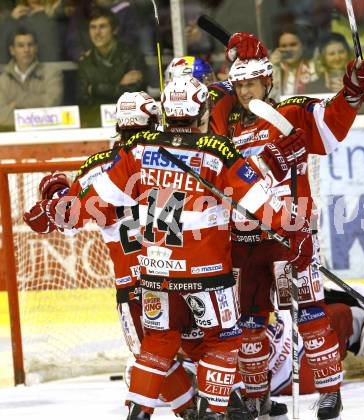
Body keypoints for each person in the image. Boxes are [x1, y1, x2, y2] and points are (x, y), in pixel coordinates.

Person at [24, 75, 307, 419]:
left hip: (154, 273)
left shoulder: (139, 151)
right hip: (206, 273)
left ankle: (139, 413)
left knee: (158, 342)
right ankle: (214, 411)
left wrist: (55, 213)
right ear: (202, 112)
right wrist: (292, 227)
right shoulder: (218, 150)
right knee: (222, 338)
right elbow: (260, 204)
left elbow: (96, 199)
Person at [207, 31, 364, 420]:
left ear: (268, 81)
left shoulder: (293, 113)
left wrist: (351, 91)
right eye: (240, 83)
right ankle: (256, 397)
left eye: (252, 82)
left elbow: (332, 124)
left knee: (310, 313)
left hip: (291, 237)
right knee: (249, 321)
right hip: (244, 239)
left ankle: (330, 393)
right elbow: (202, 113)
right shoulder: (224, 125)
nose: (245, 89)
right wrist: (236, 52)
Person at [76, 6, 146, 105]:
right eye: (93, 27)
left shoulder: (132, 55)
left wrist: (95, 89)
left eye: (102, 26)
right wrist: (119, 85)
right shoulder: (85, 62)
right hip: (97, 118)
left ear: (115, 30)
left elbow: (136, 95)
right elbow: (82, 100)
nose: (97, 32)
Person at [0, 27, 63, 128]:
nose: (26, 50)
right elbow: (2, 117)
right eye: (21, 46)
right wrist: (38, 113)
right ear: (12, 50)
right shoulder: (2, 80)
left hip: (46, 135)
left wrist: (17, 103)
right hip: (13, 137)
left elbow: (52, 103)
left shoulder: (51, 73)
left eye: (30, 45)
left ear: (36, 48)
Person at [269, 25, 318, 100]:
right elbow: (269, 97)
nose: (288, 49)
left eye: (293, 44)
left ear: (303, 46)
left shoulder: (313, 68)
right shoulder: (274, 68)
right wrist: (272, 66)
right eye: (284, 46)